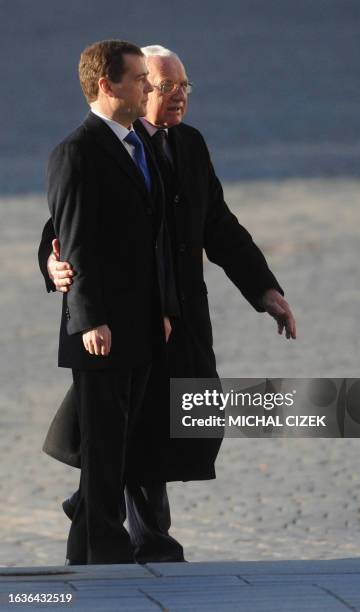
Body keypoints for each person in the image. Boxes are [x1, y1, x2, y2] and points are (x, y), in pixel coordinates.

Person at [39, 45, 296, 563]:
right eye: (165, 87)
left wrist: (264, 289)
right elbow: (64, 230)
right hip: (128, 317)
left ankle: (101, 512)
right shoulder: (111, 146)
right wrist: (51, 267)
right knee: (125, 430)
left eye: (185, 87)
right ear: (137, 88)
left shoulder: (188, 145)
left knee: (175, 421)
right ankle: (136, 536)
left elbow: (219, 226)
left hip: (179, 315)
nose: (179, 97)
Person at [45, 39, 182, 565]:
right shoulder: (76, 152)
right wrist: (89, 320)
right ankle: (99, 554)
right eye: (140, 80)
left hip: (144, 325)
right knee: (103, 451)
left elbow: (157, 236)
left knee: (121, 446)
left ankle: (96, 546)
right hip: (101, 333)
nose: (149, 88)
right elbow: (72, 239)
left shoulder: (140, 146)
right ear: (108, 86)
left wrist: (165, 310)